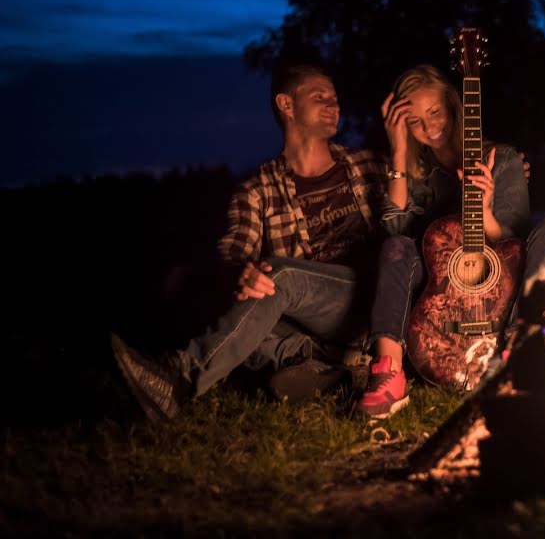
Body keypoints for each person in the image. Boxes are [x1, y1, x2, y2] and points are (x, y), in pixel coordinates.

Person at [111, 63, 388, 420]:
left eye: (335, 98)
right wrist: (240, 274)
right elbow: (233, 253)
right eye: (320, 97)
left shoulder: (367, 166)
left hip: (362, 299)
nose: (334, 105)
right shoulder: (257, 189)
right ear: (286, 105)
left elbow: (415, 208)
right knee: (207, 290)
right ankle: (334, 364)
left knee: (279, 275)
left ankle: (180, 380)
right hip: (310, 323)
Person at [355, 65, 545, 418]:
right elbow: (395, 237)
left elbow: (515, 250)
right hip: (443, 304)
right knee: (395, 248)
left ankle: (518, 352)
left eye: (434, 112)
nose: (429, 127)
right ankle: (388, 373)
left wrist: (484, 210)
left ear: (453, 106)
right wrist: (397, 152)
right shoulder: (418, 176)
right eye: (415, 122)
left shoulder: (503, 160)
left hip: (501, 295)